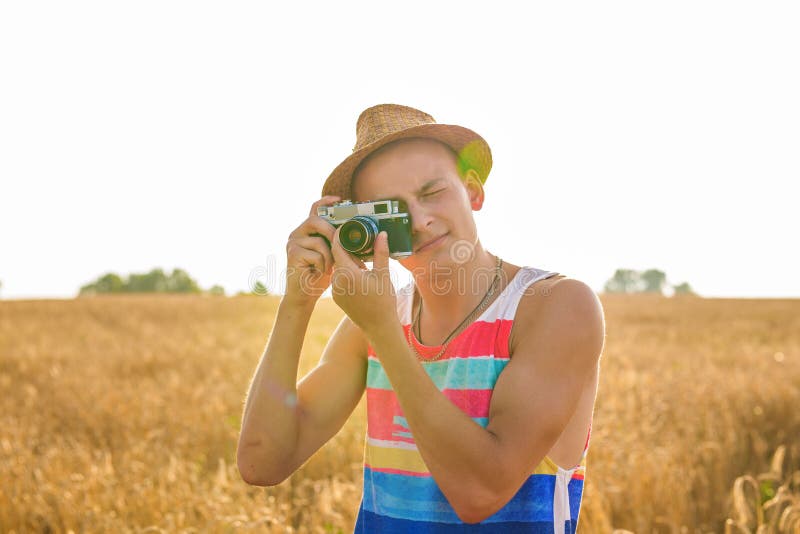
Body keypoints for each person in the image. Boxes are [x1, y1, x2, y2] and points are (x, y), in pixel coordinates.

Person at [237, 104, 605, 532]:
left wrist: (383, 332)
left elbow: (480, 493)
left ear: (473, 192)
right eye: (391, 208)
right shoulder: (371, 325)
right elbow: (262, 462)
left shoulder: (555, 306)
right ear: (368, 225)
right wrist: (298, 303)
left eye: (432, 193)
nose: (420, 219)